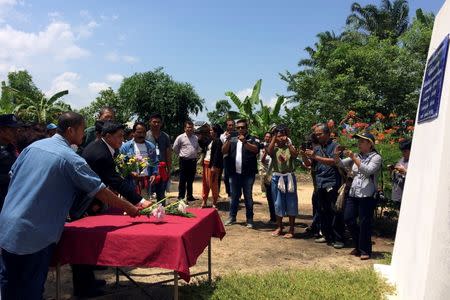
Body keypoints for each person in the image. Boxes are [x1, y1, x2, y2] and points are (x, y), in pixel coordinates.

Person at [0, 112, 141, 300]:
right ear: (70, 130)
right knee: (30, 288)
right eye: (82, 130)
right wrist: (130, 207)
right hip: (34, 232)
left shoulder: (34, 147)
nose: (84, 135)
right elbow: (100, 190)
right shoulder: (70, 158)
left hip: (7, 226)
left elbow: (13, 175)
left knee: (8, 283)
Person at [335, 132, 382, 260]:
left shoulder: (376, 157)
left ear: (370, 144)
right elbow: (339, 164)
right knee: (348, 219)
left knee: (364, 223)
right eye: (359, 141)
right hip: (354, 193)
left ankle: (365, 250)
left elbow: (368, 171)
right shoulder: (356, 155)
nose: (359, 144)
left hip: (367, 195)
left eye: (362, 142)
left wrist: (354, 159)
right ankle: (358, 245)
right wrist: (336, 154)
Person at [303, 123, 345, 248]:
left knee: (335, 211)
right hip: (320, 183)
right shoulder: (316, 147)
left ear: (327, 134)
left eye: (319, 134)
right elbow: (309, 164)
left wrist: (315, 156)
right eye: (316, 134)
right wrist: (304, 155)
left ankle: (339, 238)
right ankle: (327, 235)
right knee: (322, 210)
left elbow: (334, 161)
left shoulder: (335, 146)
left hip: (332, 182)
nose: (317, 136)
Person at [222, 119, 259, 228]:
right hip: (234, 173)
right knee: (234, 196)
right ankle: (232, 217)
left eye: (242, 127)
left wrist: (245, 142)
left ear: (246, 128)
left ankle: (250, 219)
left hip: (248, 174)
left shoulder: (252, 138)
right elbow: (223, 151)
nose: (240, 129)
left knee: (248, 196)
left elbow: (255, 149)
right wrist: (228, 140)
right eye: (238, 127)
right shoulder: (232, 139)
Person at [268, 125, 299, 238]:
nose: (280, 138)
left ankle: (291, 229)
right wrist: (273, 138)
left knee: (291, 202)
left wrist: (289, 143)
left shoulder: (290, 147)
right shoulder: (274, 148)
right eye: (278, 136)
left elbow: (295, 155)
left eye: (282, 136)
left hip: (289, 177)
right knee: (277, 202)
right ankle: (279, 227)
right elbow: (269, 151)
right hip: (277, 177)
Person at [120, 122, 158, 196]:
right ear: (133, 133)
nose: (142, 135)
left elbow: (154, 162)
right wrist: (130, 172)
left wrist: (154, 174)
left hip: (145, 181)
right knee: (130, 203)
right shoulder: (126, 147)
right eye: (139, 132)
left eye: (144, 132)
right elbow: (121, 164)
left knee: (144, 203)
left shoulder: (151, 146)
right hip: (131, 181)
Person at [146, 113, 172, 201]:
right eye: (154, 122)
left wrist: (169, 169)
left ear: (161, 123)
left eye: (158, 122)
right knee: (147, 193)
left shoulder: (166, 136)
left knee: (161, 194)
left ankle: (161, 212)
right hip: (149, 168)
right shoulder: (145, 136)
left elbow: (168, 154)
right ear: (150, 122)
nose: (156, 124)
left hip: (162, 168)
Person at [173, 121, 200, 201]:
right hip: (184, 161)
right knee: (182, 179)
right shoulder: (180, 137)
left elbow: (198, 148)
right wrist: (182, 154)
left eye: (191, 127)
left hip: (193, 161)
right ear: (185, 128)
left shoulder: (196, 138)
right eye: (188, 127)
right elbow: (175, 148)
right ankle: (181, 196)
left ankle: (190, 196)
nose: (189, 129)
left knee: (191, 179)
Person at [0, 114, 19, 212]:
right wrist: (10, 176)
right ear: (1, 130)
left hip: (9, 200)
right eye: (12, 130)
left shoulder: (11, 147)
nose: (16, 132)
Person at [201, 124, 224, 208]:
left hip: (213, 165)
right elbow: (203, 147)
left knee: (213, 184)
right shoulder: (209, 140)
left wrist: (214, 166)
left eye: (211, 130)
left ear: (216, 131)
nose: (210, 132)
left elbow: (217, 155)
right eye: (210, 130)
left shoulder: (218, 141)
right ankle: (204, 200)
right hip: (206, 163)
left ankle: (214, 201)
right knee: (205, 183)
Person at [259, 131, 276, 223]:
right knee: (270, 197)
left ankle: (277, 217)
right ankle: (273, 217)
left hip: (276, 174)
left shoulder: (276, 146)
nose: (267, 138)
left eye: (269, 137)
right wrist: (266, 152)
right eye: (266, 136)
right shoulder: (263, 147)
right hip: (268, 173)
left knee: (275, 197)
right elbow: (262, 160)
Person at [390, 139, 411, 205]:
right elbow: (394, 176)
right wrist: (392, 171)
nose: (403, 153)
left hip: (406, 195)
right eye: (402, 151)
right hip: (398, 194)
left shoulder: (414, 160)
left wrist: (404, 171)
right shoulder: (401, 160)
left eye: (405, 151)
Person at [219, 119, 235, 200]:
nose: (231, 126)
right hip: (226, 158)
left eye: (232, 125)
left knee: (236, 176)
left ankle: (237, 194)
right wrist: (228, 138)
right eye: (229, 125)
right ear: (227, 126)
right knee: (226, 177)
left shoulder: (238, 134)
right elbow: (222, 148)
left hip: (236, 158)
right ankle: (229, 193)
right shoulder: (222, 136)